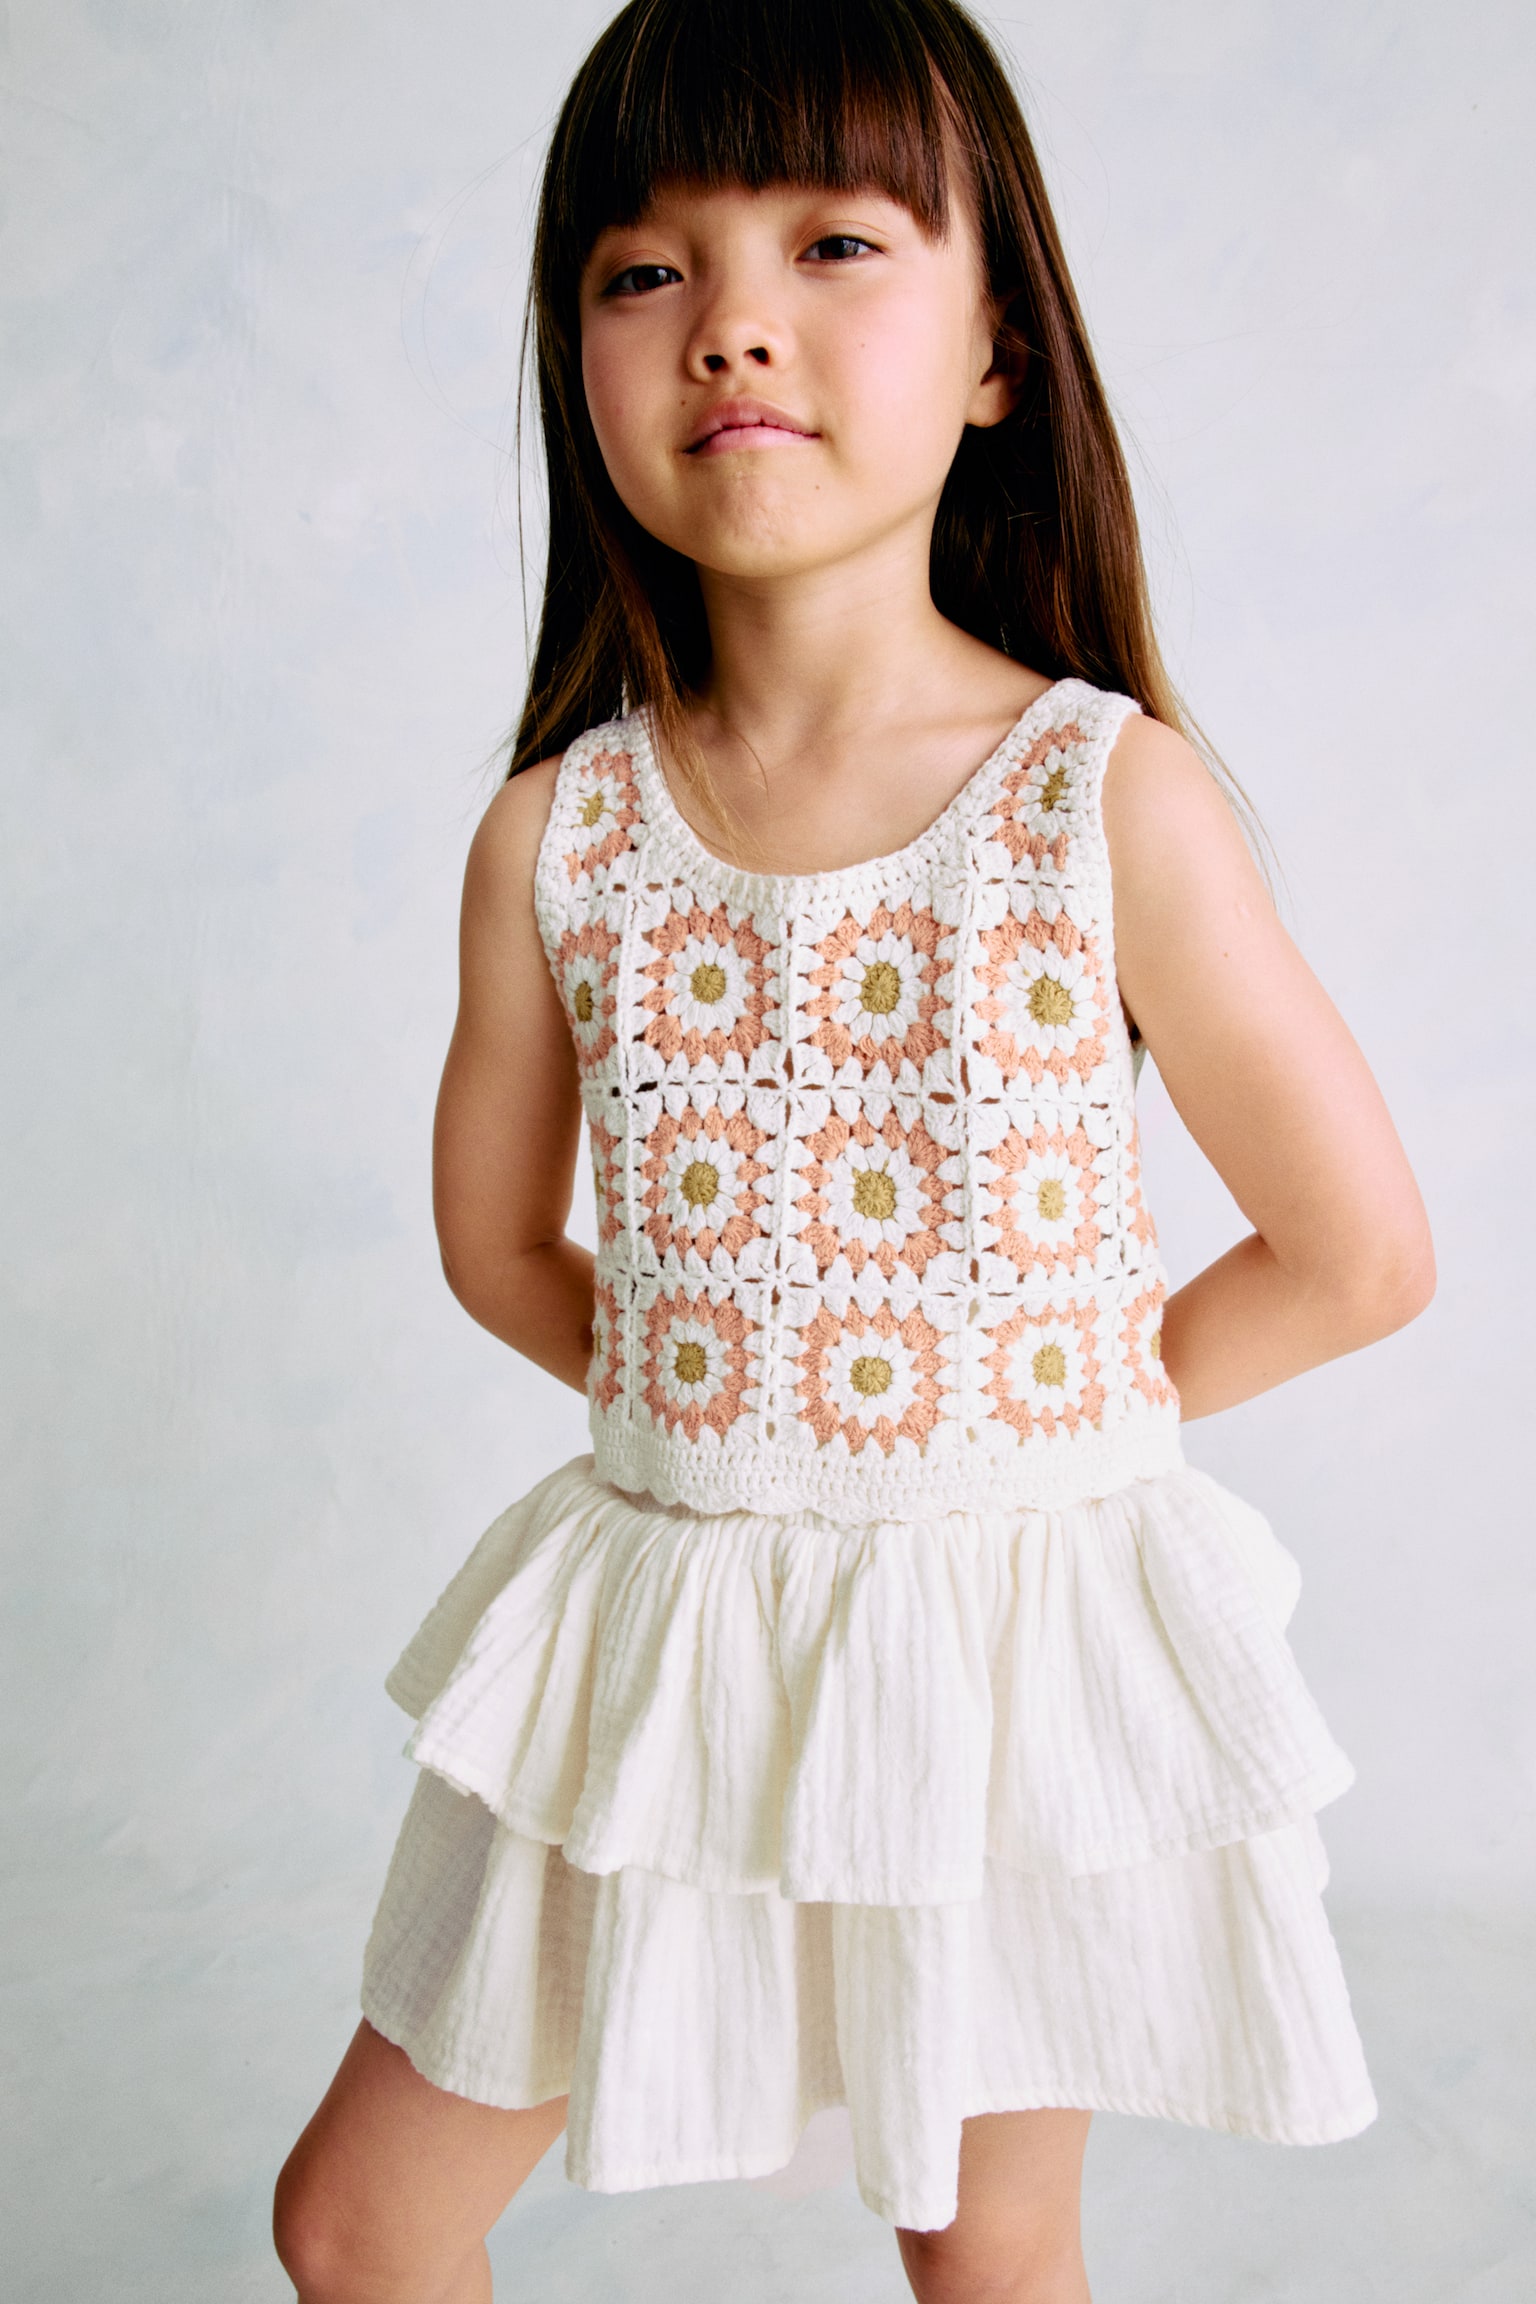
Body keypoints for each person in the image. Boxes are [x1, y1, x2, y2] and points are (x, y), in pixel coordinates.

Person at [272, 1, 1435, 2297]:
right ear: (578, 360)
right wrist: (758, 1424)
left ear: (998, 349)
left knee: (981, 2253)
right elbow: (500, 1247)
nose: (732, 324)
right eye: (646, 271)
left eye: (832, 244)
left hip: (996, 1657)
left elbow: (1356, 1251)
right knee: (362, 2226)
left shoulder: (1100, 799)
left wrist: (1003, 1437)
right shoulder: (560, 835)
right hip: (666, 1638)